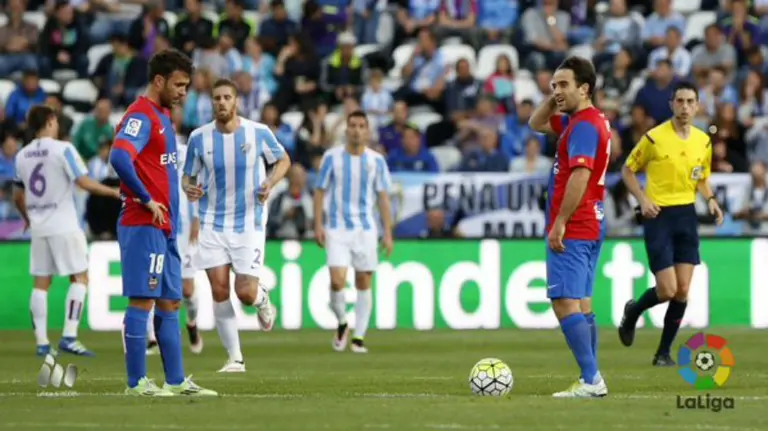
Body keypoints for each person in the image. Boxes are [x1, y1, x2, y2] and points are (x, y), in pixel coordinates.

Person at [108, 49, 217, 397]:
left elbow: (159, 169)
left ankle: (176, 381)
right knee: (143, 300)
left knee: (171, 302)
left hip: (169, 226)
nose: (184, 91)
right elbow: (119, 156)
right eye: (179, 84)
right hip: (144, 223)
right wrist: (144, 197)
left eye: (186, 85)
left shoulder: (163, 117)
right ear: (159, 81)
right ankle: (136, 382)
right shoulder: (141, 115)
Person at [182, 78, 291, 373]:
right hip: (212, 222)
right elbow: (187, 177)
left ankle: (262, 299)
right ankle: (235, 358)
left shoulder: (258, 133)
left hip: (248, 222)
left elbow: (283, 161)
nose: (221, 103)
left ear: (236, 101)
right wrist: (189, 188)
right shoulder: (199, 138)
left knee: (244, 291)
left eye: (227, 97)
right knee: (219, 290)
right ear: (211, 103)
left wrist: (270, 181)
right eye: (216, 98)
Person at [618, 81, 724, 366]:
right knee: (666, 289)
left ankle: (663, 353)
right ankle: (634, 311)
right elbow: (627, 171)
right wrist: (642, 199)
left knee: (683, 290)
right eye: (680, 101)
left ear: (698, 105)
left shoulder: (703, 140)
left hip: (686, 215)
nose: (685, 107)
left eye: (691, 102)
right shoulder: (654, 138)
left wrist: (710, 198)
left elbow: (701, 175)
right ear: (672, 105)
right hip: (659, 216)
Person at [528, 56, 611, 397]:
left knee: (564, 302)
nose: (557, 91)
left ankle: (591, 379)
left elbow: (580, 174)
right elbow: (536, 122)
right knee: (583, 305)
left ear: (585, 88)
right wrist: (557, 98)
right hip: (592, 221)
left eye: (564, 85)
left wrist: (560, 221)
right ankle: (592, 376)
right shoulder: (585, 121)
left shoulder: (583, 127)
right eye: (553, 86)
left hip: (575, 224)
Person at [12, 105, 120, 357]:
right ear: (51, 121)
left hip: (39, 227)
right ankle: (69, 336)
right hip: (64, 224)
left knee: (41, 283)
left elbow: (18, 196)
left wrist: (27, 218)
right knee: (80, 278)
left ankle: (41, 342)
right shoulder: (64, 149)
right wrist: (112, 191)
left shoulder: (22, 155)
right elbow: (83, 181)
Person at [313, 111, 394, 354]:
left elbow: (383, 197)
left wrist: (388, 232)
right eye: (353, 125)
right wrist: (318, 224)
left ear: (367, 131)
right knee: (337, 281)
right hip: (337, 228)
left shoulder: (376, 161)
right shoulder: (332, 157)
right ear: (346, 130)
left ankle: (358, 337)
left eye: (361, 126)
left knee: (363, 282)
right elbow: (319, 191)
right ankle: (341, 321)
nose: (357, 130)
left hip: (366, 230)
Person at [146, 108, 204, 356]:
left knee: (188, 290)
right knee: (151, 284)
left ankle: (191, 323)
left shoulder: (185, 152)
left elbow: (197, 186)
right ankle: (151, 338)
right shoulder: (147, 154)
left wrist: (197, 218)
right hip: (156, 227)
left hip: (184, 230)